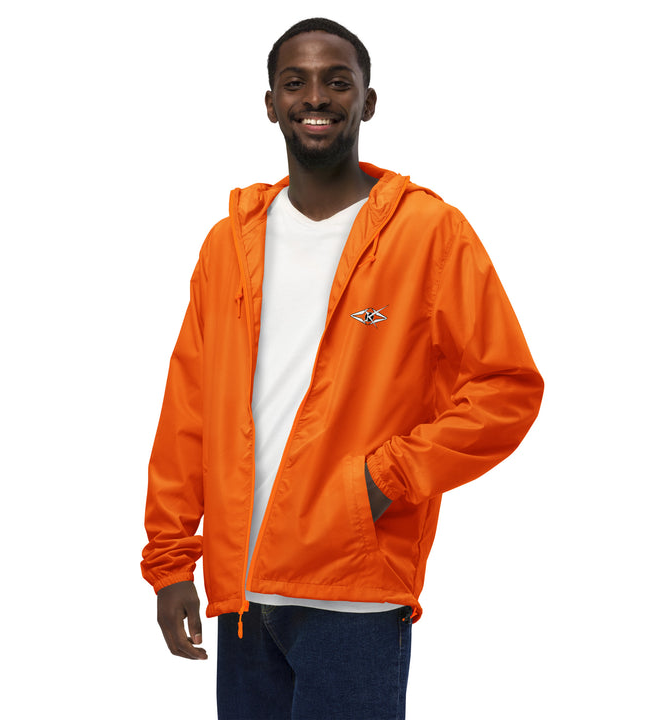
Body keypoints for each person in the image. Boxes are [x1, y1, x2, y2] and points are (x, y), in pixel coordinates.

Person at [142, 17, 544, 720]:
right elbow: (189, 406)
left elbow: (505, 387)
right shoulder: (228, 244)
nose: (315, 98)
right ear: (271, 103)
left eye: (337, 81)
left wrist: (386, 479)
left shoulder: (427, 232)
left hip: (353, 593)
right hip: (242, 598)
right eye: (294, 82)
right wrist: (172, 558)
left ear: (368, 101)